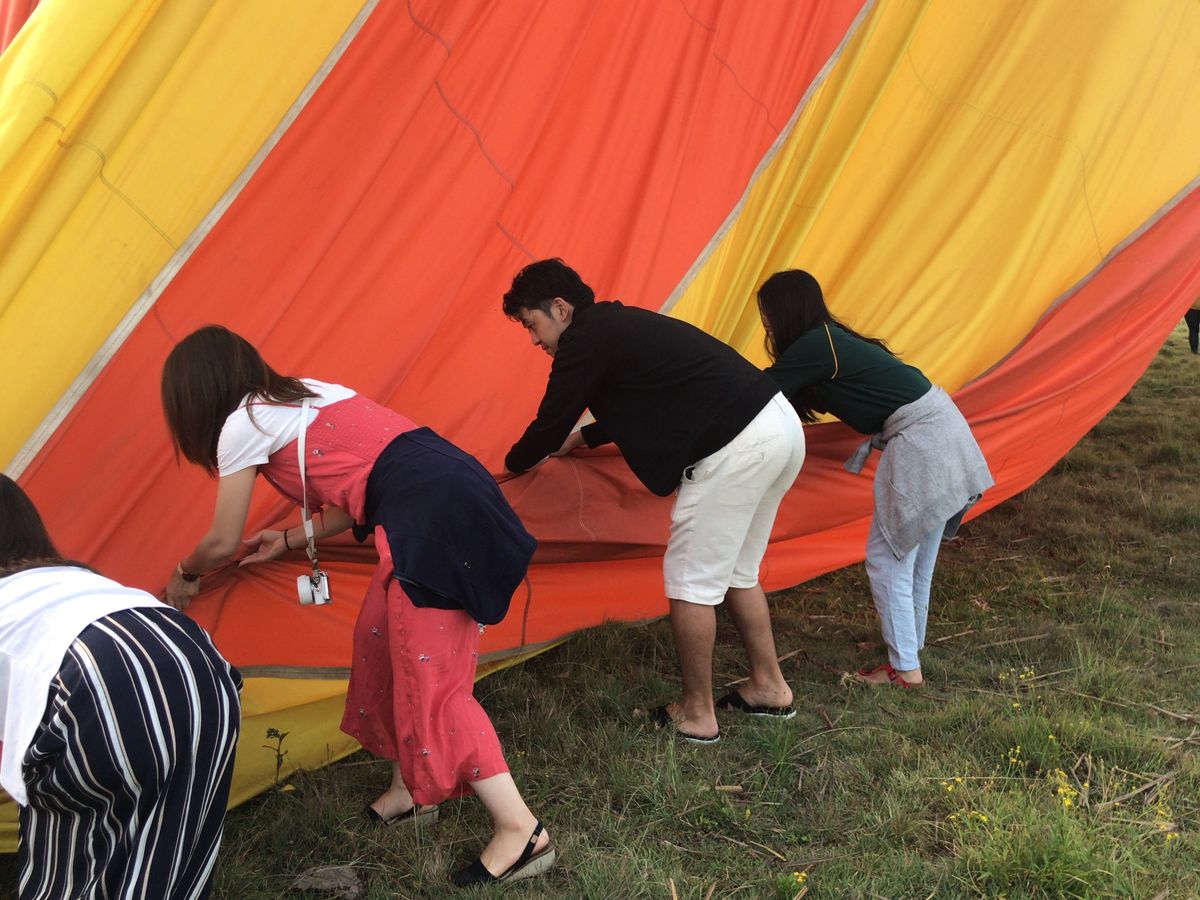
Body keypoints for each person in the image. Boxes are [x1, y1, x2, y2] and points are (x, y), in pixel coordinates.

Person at [160, 326, 552, 887]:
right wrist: (288, 539)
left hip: (434, 517)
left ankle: (522, 831)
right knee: (379, 644)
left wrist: (184, 573)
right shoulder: (305, 393)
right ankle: (411, 789)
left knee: (435, 682)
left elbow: (221, 541)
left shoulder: (241, 423)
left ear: (192, 397)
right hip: (441, 491)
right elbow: (362, 486)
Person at [503, 259, 805, 744]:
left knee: (690, 583)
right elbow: (652, 391)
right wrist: (584, 438)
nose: (535, 340)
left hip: (739, 444)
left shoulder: (584, 339)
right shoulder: (616, 325)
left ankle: (697, 713)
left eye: (531, 325)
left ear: (559, 308)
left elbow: (549, 422)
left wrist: (508, 466)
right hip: (779, 425)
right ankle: (769, 687)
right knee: (736, 573)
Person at [0, 475, 241, 899]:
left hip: (91, 679)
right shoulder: (64, 578)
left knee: (70, 863)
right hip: (195, 661)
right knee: (165, 858)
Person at [757, 270, 993, 688]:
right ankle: (909, 654)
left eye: (768, 313)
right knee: (914, 562)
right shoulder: (828, 341)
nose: (767, 324)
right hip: (943, 429)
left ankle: (905, 670)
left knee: (888, 558)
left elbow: (759, 391)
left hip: (923, 439)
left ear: (785, 310)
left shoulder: (817, 344)